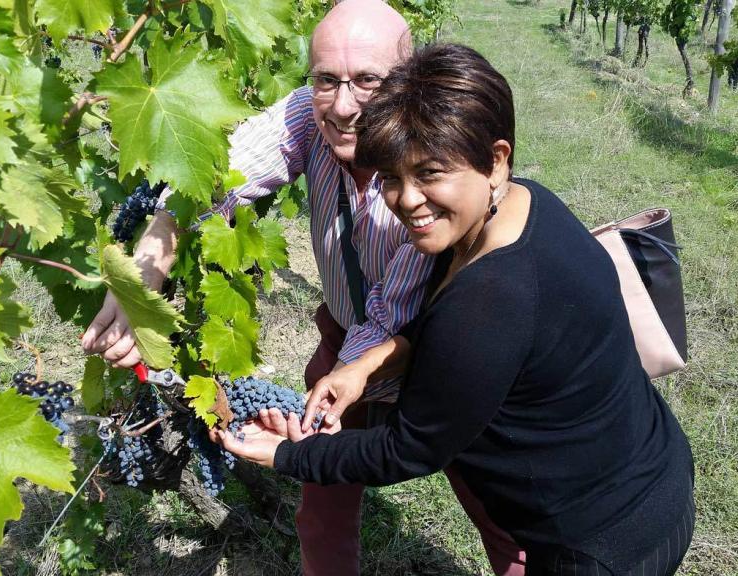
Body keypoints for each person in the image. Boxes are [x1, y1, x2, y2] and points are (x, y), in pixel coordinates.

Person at [214, 43, 696, 576]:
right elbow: (460, 331)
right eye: (392, 178)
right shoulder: (525, 204)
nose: (407, 200)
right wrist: (369, 363)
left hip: (601, 543)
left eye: (430, 173)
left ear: (495, 158)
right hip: (651, 468)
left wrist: (285, 456)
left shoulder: (491, 300)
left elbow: (409, 449)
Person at [80, 3, 526, 574]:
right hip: (347, 347)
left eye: (369, 80)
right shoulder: (305, 118)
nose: (342, 105)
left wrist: (340, 392)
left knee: (504, 525)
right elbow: (211, 183)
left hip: (442, 355)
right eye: (325, 80)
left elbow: (393, 313)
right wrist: (141, 278)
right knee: (321, 515)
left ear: (409, 81)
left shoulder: (434, 175)